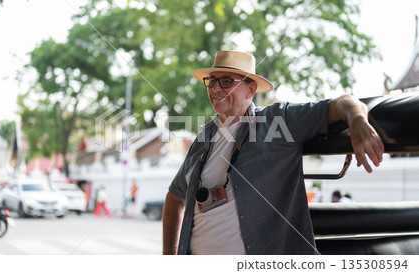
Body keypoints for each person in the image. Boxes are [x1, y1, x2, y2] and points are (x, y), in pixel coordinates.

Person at [162, 50, 384, 255]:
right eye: (211, 81)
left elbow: (344, 102)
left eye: (226, 81)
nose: (215, 89)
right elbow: (175, 197)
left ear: (251, 89)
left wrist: (357, 120)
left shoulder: (277, 122)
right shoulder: (203, 139)